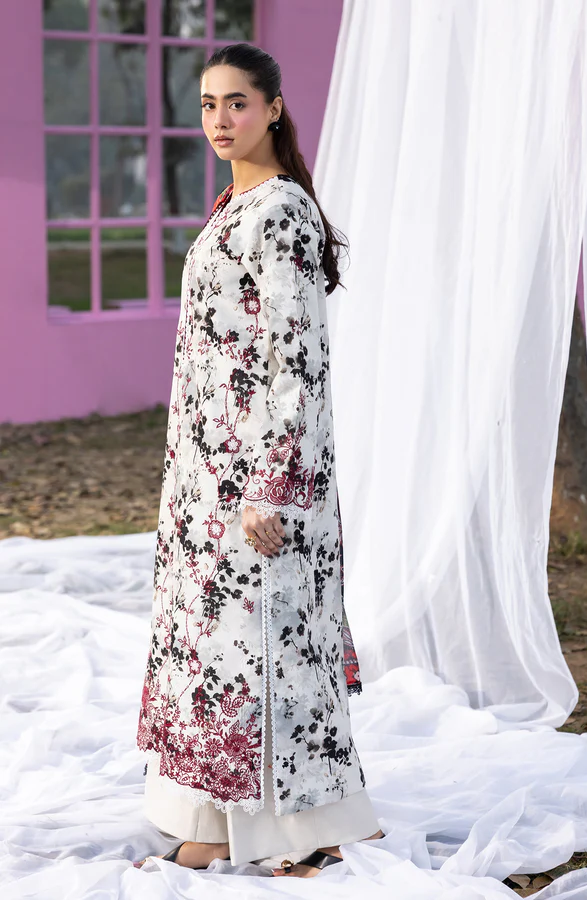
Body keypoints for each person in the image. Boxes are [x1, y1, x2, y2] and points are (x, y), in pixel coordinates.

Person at [134, 42, 384, 878]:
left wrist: (271, 488)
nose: (220, 119)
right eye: (208, 104)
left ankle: (311, 831)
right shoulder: (231, 205)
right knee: (221, 652)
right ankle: (218, 823)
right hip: (209, 477)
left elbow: (297, 362)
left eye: (237, 102)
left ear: (273, 108)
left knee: (271, 649)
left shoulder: (279, 211)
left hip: (261, 480)